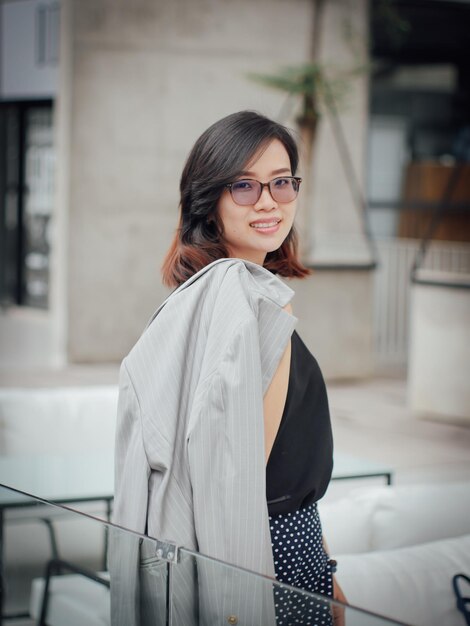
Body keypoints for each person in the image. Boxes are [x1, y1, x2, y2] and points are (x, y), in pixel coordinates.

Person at [111, 110, 347, 625]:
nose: (268, 201)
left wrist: (325, 569)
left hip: (298, 554)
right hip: (265, 565)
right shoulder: (253, 305)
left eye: (281, 182)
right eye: (244, 185)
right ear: (210, 201)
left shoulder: (220, 296)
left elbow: (277, 472)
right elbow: (240, 484)